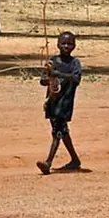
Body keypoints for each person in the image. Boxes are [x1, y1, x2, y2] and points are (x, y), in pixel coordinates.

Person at [37, 31, 83, 174]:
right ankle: (75, 160)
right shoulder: (53, 61)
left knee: (57, 131)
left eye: (69, 44)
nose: (66, 46)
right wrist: (48, 76)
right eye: (63, 43)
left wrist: (59, 75)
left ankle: (48, 163)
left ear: (74, 46)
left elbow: (76, 79)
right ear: (58, 44)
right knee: (62, 131)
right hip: (53, 101)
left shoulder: (75, 63)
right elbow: (43, 81)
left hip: (65, 103)